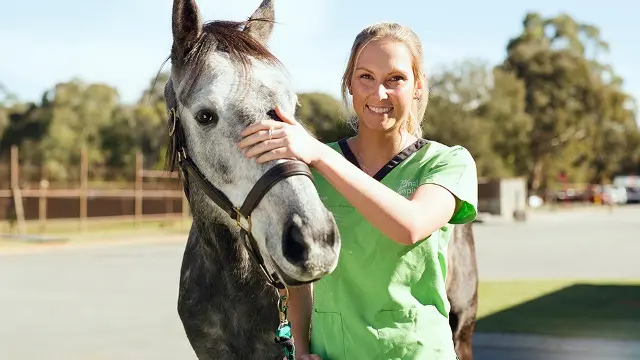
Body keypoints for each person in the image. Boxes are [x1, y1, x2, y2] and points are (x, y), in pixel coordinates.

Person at [237, 21, 478, 360]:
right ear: (349, 83)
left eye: (395, 79)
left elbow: (410, 226)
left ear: (418, 86)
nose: (379, 93)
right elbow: (300, 277)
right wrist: (301, 349)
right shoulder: (312, 170)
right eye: (366, 77)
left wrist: (318, 154)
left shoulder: (448, 163)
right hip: (335, 352)